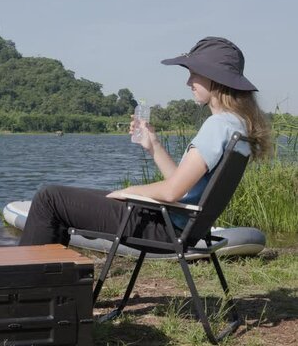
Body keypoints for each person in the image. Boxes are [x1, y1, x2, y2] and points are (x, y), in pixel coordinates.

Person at [20, 36, 271, 246]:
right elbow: (182, 185)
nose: (188, 82)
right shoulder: (236, 126)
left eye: (194, 74)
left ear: (214, 78)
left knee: (49, 198)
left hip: (161, 226)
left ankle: (29, 287)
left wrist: (129, 191)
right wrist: (153, 144)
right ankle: (53, 290)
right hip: (180, 226)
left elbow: (172, 192)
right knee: (64, 201)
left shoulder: (217, 126)